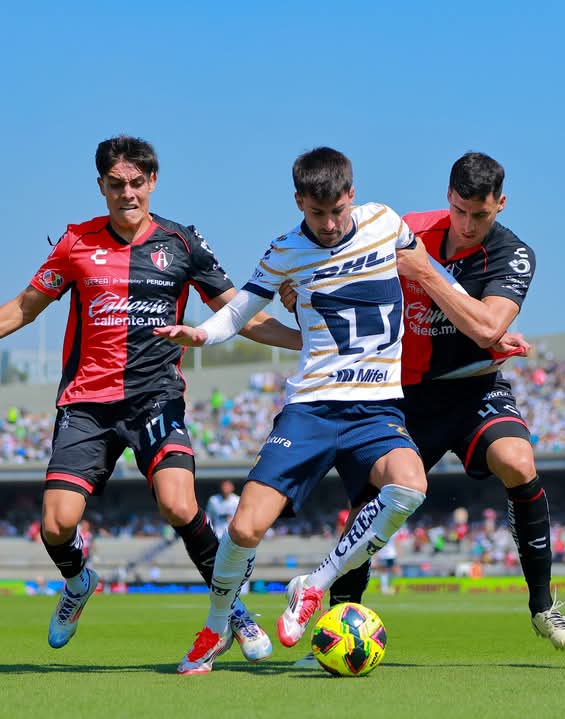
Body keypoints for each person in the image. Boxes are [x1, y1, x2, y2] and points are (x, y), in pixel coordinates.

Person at [0, 135, 300, 655]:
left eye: (137, 183)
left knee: (178, 504)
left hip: (155, 398)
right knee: (56, 523)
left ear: (152, 182)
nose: (128, 194)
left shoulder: (182, 244)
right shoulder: (76, 242)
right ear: (100, 187)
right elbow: (24, 307)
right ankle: (77, 583)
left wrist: (309, 342)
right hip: (87, 404)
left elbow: (237, 313)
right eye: (116, 184)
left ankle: (229, 608)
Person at [284, 152, 565, 659]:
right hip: (402, 396)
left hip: (474, 388)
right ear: (449, 197)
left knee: (518, 461)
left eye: (482, 216)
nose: (468, 226)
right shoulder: (407, 228)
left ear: (501, 205)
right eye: (461, 211)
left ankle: (542, 605)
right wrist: (301, 291)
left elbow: (488, 327)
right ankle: (338, 614)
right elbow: (334, 263)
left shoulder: (513, 254)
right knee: (372, 500)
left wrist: (426, 272)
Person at [156, 147, 431, 674]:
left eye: (336, 211)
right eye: (316, 213)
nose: (328, 224)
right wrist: (202, 334)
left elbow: (432, 269)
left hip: (375, 408)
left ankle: (315, 584)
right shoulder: (284, 251)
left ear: (351, 194)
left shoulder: (385, 222)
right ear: (299, 201)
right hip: (310, 407)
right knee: (243, 529)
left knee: (411, 485)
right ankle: (216, 627)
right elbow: (238, 313)